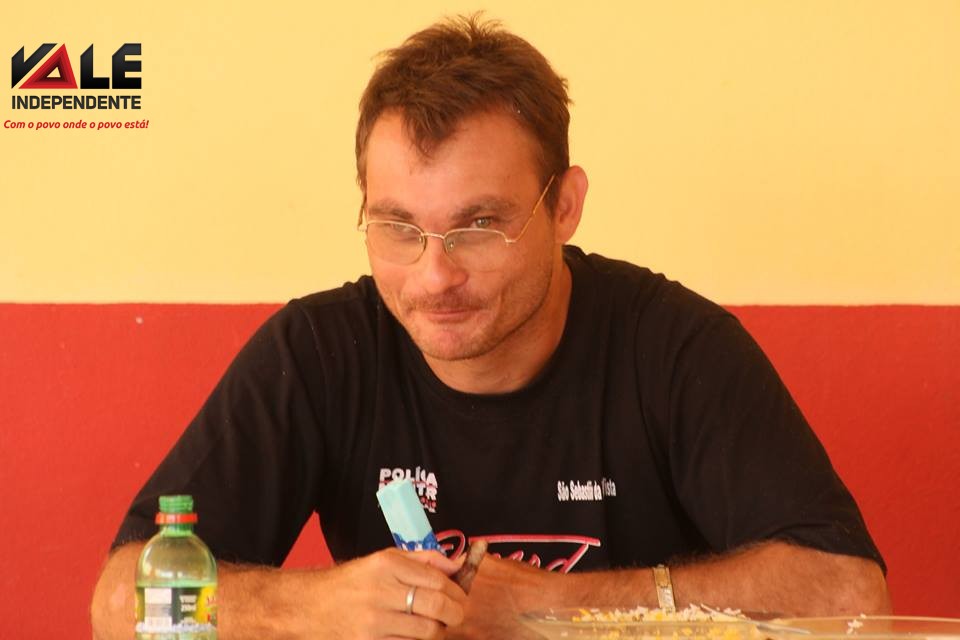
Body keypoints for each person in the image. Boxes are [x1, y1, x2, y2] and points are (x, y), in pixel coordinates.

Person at [92, 14, 890, 640]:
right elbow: (120, 604)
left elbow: (850, 595)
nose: (433, 276)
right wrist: (315, 608)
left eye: (479, 225)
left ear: (565, 206)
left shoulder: (676, 348)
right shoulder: (319, 352)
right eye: (398, 227)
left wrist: (560, 612)